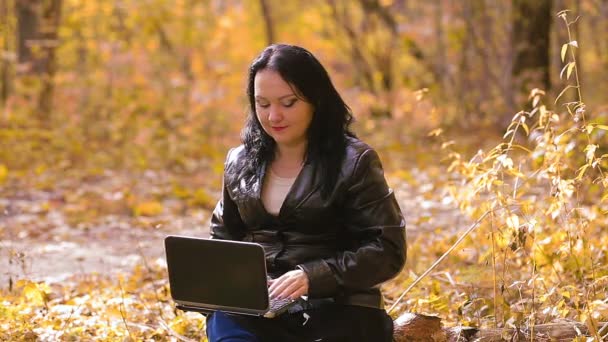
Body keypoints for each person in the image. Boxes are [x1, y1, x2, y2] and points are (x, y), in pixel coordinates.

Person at [206, 43, 406, 342]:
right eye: (263, 104)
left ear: (316, 100)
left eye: (288, 103)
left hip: (338, 308)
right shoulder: (239, 161)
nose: (274, 116)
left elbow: (387, 250)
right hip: (257, 309)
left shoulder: (355, 161)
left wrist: (313, 276)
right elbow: (222, 240)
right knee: (228, 326)